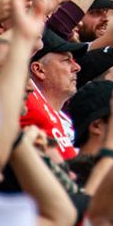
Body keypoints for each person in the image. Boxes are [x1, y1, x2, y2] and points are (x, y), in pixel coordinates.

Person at [23, 29, 87, 160]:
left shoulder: (66, 120)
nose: (77, 67)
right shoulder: (27, 104)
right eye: (66, 60)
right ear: (39, 70)